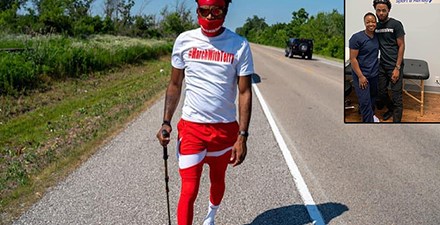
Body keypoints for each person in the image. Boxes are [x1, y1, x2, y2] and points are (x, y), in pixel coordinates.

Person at [156, 0, 254, 224]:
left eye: (216, 11)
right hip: (192, 129)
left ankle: (210, 216)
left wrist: (243, 135)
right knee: (189, 190)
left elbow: (245, 91)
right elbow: (174, 84)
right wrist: (166, 121)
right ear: (197, 10)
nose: (210, 17)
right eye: (204, 11)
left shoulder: (239, 45)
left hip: (224, 130)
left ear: (225, 11)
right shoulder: (184, 41)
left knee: (217, 180)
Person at [373, 0, 405, 122]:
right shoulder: (376, 26)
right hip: (382, 65)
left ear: (388, 10)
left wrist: (397, 68)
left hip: (395, 65)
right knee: (381, 93)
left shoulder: (396, 24)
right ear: (375, 10)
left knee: (397, 98)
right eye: (378, 10)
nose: (381, 13)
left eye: (383, 10)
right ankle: (391, 109)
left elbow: (401, 45)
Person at [349, 12, 380, 123]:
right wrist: (361, 76)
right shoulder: (356, 38)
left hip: (374, 74)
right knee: (365, 101)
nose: (371, 24)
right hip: (361, 75)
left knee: (372, 98)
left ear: (376, 23)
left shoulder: (377, 37)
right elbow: (353, 59)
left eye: (373, 21)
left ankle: (371, 116)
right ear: (364, 23)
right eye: (368, 22)